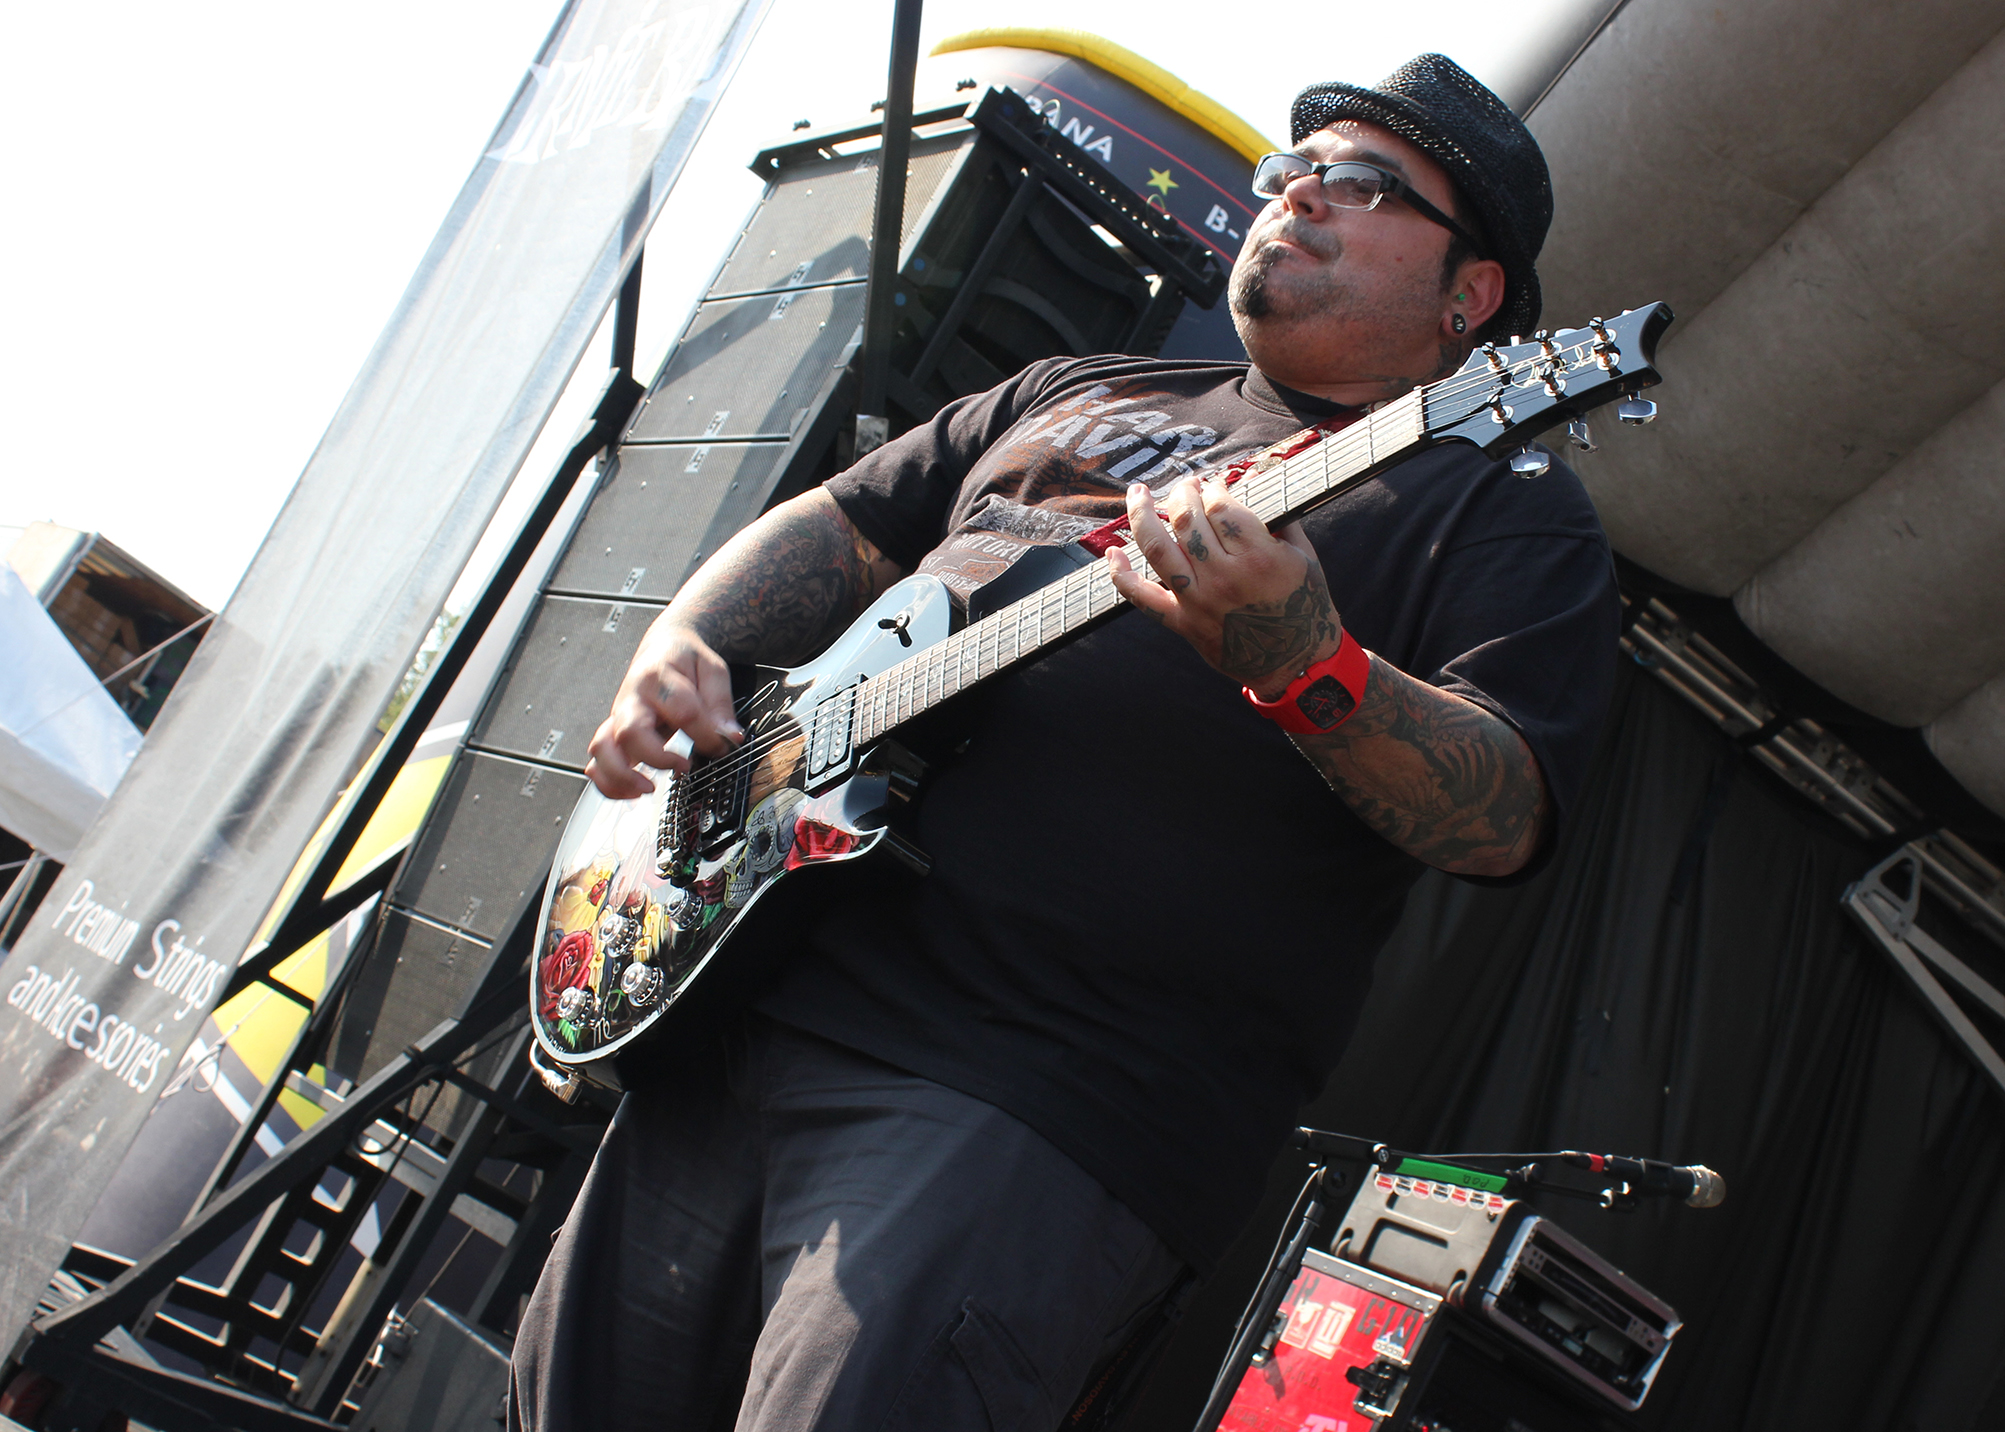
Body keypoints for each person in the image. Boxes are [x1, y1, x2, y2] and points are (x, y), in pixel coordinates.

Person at [510, 54, 1619, 1432]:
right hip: (751, 989)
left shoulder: (1499, 503)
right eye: (1293, 169)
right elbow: (849, 522)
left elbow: (1503, 815)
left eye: (1365, 184)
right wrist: (682, 642)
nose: (1300, 194)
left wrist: (1306, 665)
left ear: (1472, 297)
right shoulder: (1080, 385)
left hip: (1033, 1095)